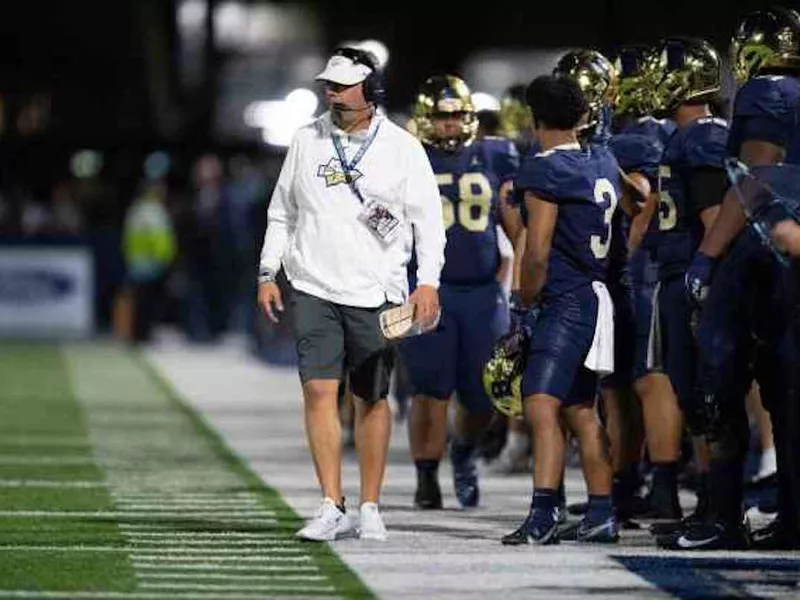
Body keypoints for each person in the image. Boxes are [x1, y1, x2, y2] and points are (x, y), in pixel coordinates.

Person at [257, 47, 446, 542]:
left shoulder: (404, 147)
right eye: (329, 84)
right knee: (319, 391)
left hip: (376, 289)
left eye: (341, 85)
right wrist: (266, 271)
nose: (331, 92)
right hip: (313, 285)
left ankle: (369, 505)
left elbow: (429, 222)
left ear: (372, 90)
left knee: (370, 397)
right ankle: (329, 504)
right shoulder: (306, 140)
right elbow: (283, 212)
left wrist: (428, 281)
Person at [682, 7, 800, 551]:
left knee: (720, 386)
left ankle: (724, 517)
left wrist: (707, 256)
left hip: (762, 254)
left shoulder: (767, 93)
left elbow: (758, 179)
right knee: (788, 392)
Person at [502, 74, 635, 545]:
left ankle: (543, 513)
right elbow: (637, 198)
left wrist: (524, 301)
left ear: (536, 120)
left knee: (540, 403)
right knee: (581, 408)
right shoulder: (600, 157)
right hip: (597, 294)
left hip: (564, 297)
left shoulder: (544, 169)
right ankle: (601, 511)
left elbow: (536, 250)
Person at [402, 75, 518, 509]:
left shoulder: (495, 154)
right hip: (429, 289)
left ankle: (464, 449)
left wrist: (520, 280)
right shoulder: (406, 159)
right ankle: (426, 477)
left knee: (485, 392)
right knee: (428, 389)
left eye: (455, 116)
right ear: (425, 119)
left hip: (482, 291)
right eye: (440, 116)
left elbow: (515, 226)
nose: (449, 124)